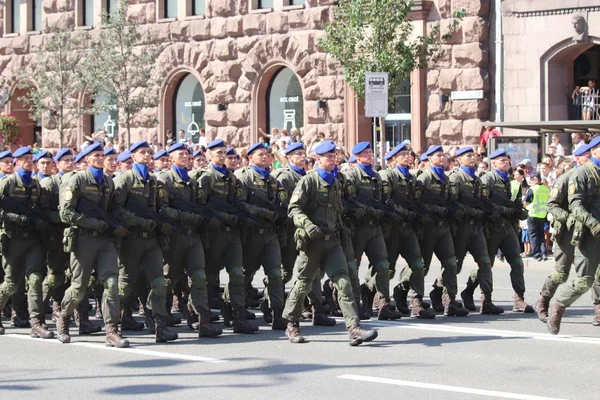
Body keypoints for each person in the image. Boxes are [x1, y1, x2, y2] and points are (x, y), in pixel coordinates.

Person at [282, 140, 378, 346]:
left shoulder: (336, 181)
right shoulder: (309, 181)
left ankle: (354, 329)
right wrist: (307, 225)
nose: (333, 160)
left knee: (343, 283)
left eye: (334, 156)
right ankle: (292, 323)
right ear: (318, 159)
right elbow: (294, 209)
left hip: (333, 241)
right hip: (312, 242)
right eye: (328, 157)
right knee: (303, 284)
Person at [56, 142, 130, 347]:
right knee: (79, 288)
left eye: (101, 155)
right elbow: (66, 213)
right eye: (95, 155)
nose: (99, 158)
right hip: (83, 239)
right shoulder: (76, 180)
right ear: (86, 159)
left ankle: (111, 330)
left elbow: (114, 210)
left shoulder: (108, 182)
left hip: (104, 239)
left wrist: (119, 225)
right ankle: (63, 317)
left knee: (112, 283)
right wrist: (94, 223)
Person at [194, 139, 258, 334]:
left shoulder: (232, 178)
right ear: (209, 155)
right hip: (215, 233)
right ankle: (197, 313)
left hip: (232, 233)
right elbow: (200, 205)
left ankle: (238, 316)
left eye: (225, 152)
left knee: (237, 273)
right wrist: (218, 217)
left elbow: (238, 201)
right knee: (209, 275)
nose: (222, 156)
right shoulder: (206, 177)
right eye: (219, 153)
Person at [272, 143, 336, 326]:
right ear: (289, 157)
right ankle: (273, 308)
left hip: (307, 233)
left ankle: (317, 310)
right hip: (290, 230)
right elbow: (283, 205)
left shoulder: (308, 177)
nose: (302, 156)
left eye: (303, 153)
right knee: (285, 273)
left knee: (313, 272)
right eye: (298, 154)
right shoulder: (284, 177)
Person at [342, 142, 401, 320]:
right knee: (353, 266)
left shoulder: (376, 176)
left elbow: (382, 200)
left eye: (370, 152)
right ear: (357, 157)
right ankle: (355, 302)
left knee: (383, 265)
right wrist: (366, 210)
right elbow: (348, 201)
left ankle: (382, 303)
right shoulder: (351, 176)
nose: (369, 155)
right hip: (358, 228)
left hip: (375, 227)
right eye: (365, 153)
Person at [534, 142, 592, 323]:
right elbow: (552, 205)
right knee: (562, 273)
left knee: (595, 272)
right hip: (567, 233)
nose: (590, 159)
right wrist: (569, 218)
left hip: (589, 232)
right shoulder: (567, 178)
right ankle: (542, 301)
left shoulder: (594, 176)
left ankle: (598, 310)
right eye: (586, 156)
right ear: (577, 158)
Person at [547, 136, 600, 334]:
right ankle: (558, 306)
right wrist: (593, 223)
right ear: (593, 151)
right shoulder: (582, 173)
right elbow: (575, 205)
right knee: (585, 280)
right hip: (589, 234)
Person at [0, 147, 52, 338]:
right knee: (11, 284)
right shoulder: (8, 183)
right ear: (17, 162)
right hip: (13, 240)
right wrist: (17, 218)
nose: (29, 161)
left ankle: (37, 323)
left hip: (32, 240)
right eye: (25, 158)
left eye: (31, 158)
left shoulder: (36, 184)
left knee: (36, 279)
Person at [379, 143, 436, 319]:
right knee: (387, 268)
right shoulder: (388, 175)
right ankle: (381, 302)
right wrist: (406, 213)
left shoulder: (413, 179)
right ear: (394, 159)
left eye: (408, 154)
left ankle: (416, 303)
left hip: (409, 228)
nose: (407, 157)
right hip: (393, 228)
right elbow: (386, 201)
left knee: (418, 264)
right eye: (402, 154)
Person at [234, 143, 287, 330]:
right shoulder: (243, 177)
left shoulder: (272, 180)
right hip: (252, 234)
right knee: (245, 274)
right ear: (250, 158)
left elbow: (282, 202)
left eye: (266, 154)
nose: (264, 157)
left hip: (271, 234)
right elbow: (240, 204)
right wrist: (263, 212)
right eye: (260, 155)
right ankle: (231, 306)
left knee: (275, 274)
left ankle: (277, 314)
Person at [415, 145, 469, 316]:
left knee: (451, 263)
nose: (442, 158)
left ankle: (449, 301)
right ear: (429, 159)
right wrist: (435, 210)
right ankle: (414, 299)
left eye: (443, 155)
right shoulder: (424, 178)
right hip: (429, 227)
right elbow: (417, 203)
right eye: (438, 156)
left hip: (444, 227)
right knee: (422, 266)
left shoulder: (447, 179)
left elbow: (452, 201)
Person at [451, 147, 504, 314]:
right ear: (459, 160)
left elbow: (483, 201)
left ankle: (486, 301)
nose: (472, 158)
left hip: (477, 228)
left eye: (473, 155)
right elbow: (452, 203)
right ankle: (443, 296)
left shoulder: (478, 180)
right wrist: (470, 211)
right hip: (461, 228)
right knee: (455, 265)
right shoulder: (456, 177)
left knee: (485, 262)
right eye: (468, 156)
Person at [480, 149, 534, 313]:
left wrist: (519, 211)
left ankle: (519, 300)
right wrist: (503, 210)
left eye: (507, 160)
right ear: (494, 163)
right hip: (492, 228)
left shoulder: (509, 181)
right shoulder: (487, 178)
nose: (506, 162)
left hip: (508, 227)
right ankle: (484, 300)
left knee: (517, 263)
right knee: (486, 264)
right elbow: (482, 202)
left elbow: (514, 203)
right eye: (502, 160)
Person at [523, 173, 550, 261]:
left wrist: (527, 208)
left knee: (533, 235)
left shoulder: (532, 189)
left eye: (531, 180)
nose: (530, 182)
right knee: (541, 235)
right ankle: (544, 253)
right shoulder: (546, 189)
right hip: (542, 214)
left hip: (532, 214)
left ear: (536, 180)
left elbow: (525, 202)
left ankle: (537, 254)